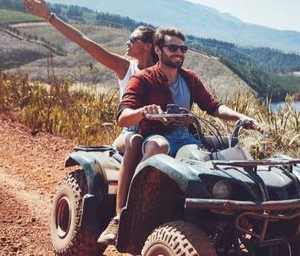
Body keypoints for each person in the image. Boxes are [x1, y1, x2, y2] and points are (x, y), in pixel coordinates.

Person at [98, 27, 259, 244]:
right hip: (153, 135)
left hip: (185, 138)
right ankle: (132, 209)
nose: (179, 52)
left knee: (209, 159)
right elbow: (122, 116)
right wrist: (143, 112)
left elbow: (213, 106)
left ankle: (223, 214)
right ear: (158, 49)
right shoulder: (143, 79)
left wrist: (241, 117)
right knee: (159, 146)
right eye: (173, 47)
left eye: (183, 48)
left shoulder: (190, 78)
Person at [22, 0, 157, 235]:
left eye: (132, 38)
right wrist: (50, 17)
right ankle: (120, 218)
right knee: (135, 140)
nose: (127, 42)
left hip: (157, 134)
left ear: (146, 45)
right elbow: (85, 42)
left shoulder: (161, 73)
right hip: (130, 132)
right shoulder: (125, 68)